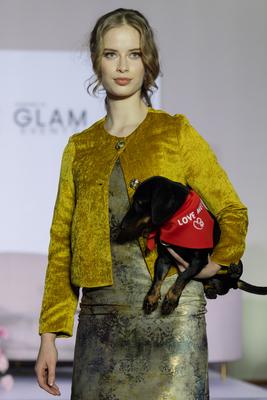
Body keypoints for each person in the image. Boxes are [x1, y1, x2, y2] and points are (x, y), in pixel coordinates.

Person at [35, 8, 248, 400]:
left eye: (133, 54)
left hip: (173, 325)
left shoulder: (175, 132)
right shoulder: (80, 148)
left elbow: (233, 210)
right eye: (111, 54)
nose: (122, 66)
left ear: (148, 61)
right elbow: (61, 245)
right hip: (101, 326)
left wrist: (216, 263)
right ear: (96, 61)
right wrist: (49, 335)